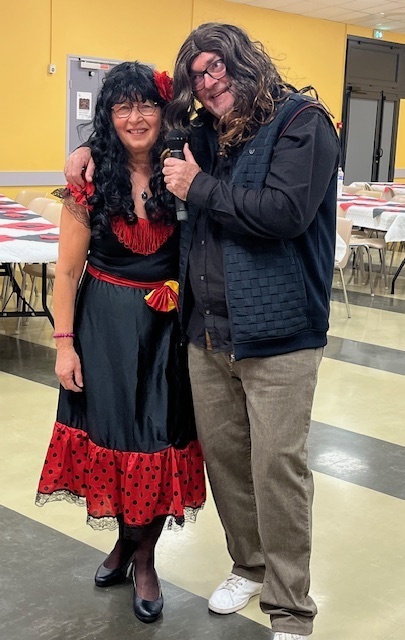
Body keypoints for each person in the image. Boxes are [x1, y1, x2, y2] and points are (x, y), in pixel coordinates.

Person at [66, 23, 339, 639]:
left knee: (277, 467)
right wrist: (85, 148)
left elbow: (286, 214)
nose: (210, 83)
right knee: (226, 463)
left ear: (246, 61)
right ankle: (249, 565)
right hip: (206, 333)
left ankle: (290, 608)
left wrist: (200, 188)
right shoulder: (203, 134)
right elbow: (135, 128)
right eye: (197, 76)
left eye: (218, 67)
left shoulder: (303, 124)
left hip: (279, 335)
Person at [37, 61, 206, 625]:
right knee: (113, 440)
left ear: (164, 111)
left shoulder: (186, 167)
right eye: (122, 107)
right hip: (103, 328)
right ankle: (123, 544)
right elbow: (66, 274)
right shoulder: (88, 180)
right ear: (107, 116)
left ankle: (144, 557)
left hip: (168, 331)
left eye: (147, 104)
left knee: (157, 441)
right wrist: (65, 345)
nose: (136, 117)